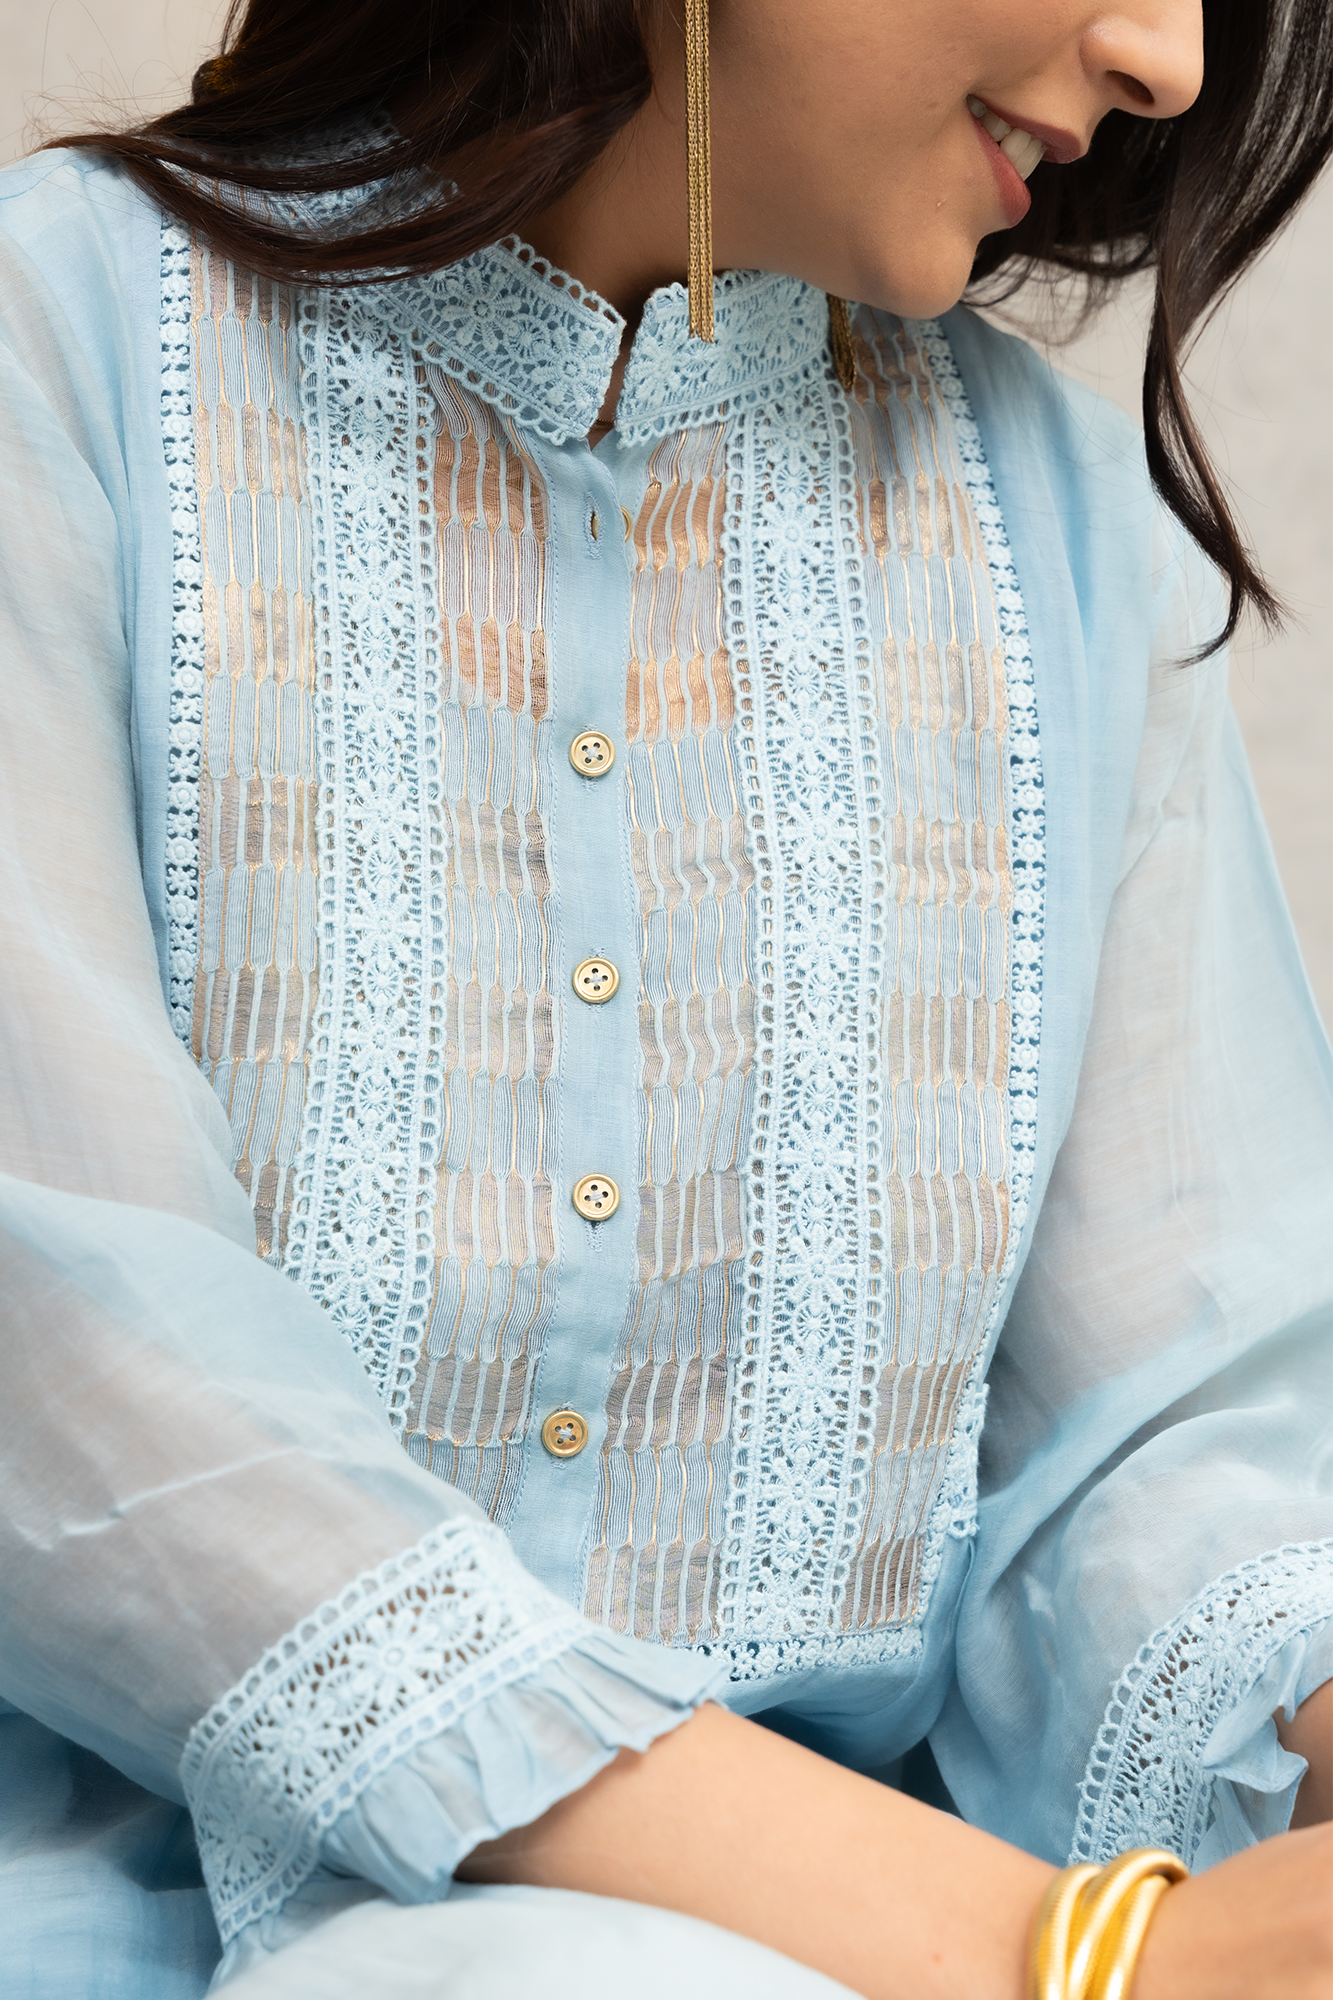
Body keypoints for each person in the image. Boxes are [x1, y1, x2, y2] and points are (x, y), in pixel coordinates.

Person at [3, 0, 1333, 1992]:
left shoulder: (1061, 531)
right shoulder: (60, 360)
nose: (1166, 58)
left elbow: (1173, 1422)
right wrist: (1081, 1959)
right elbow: (77, 1376)